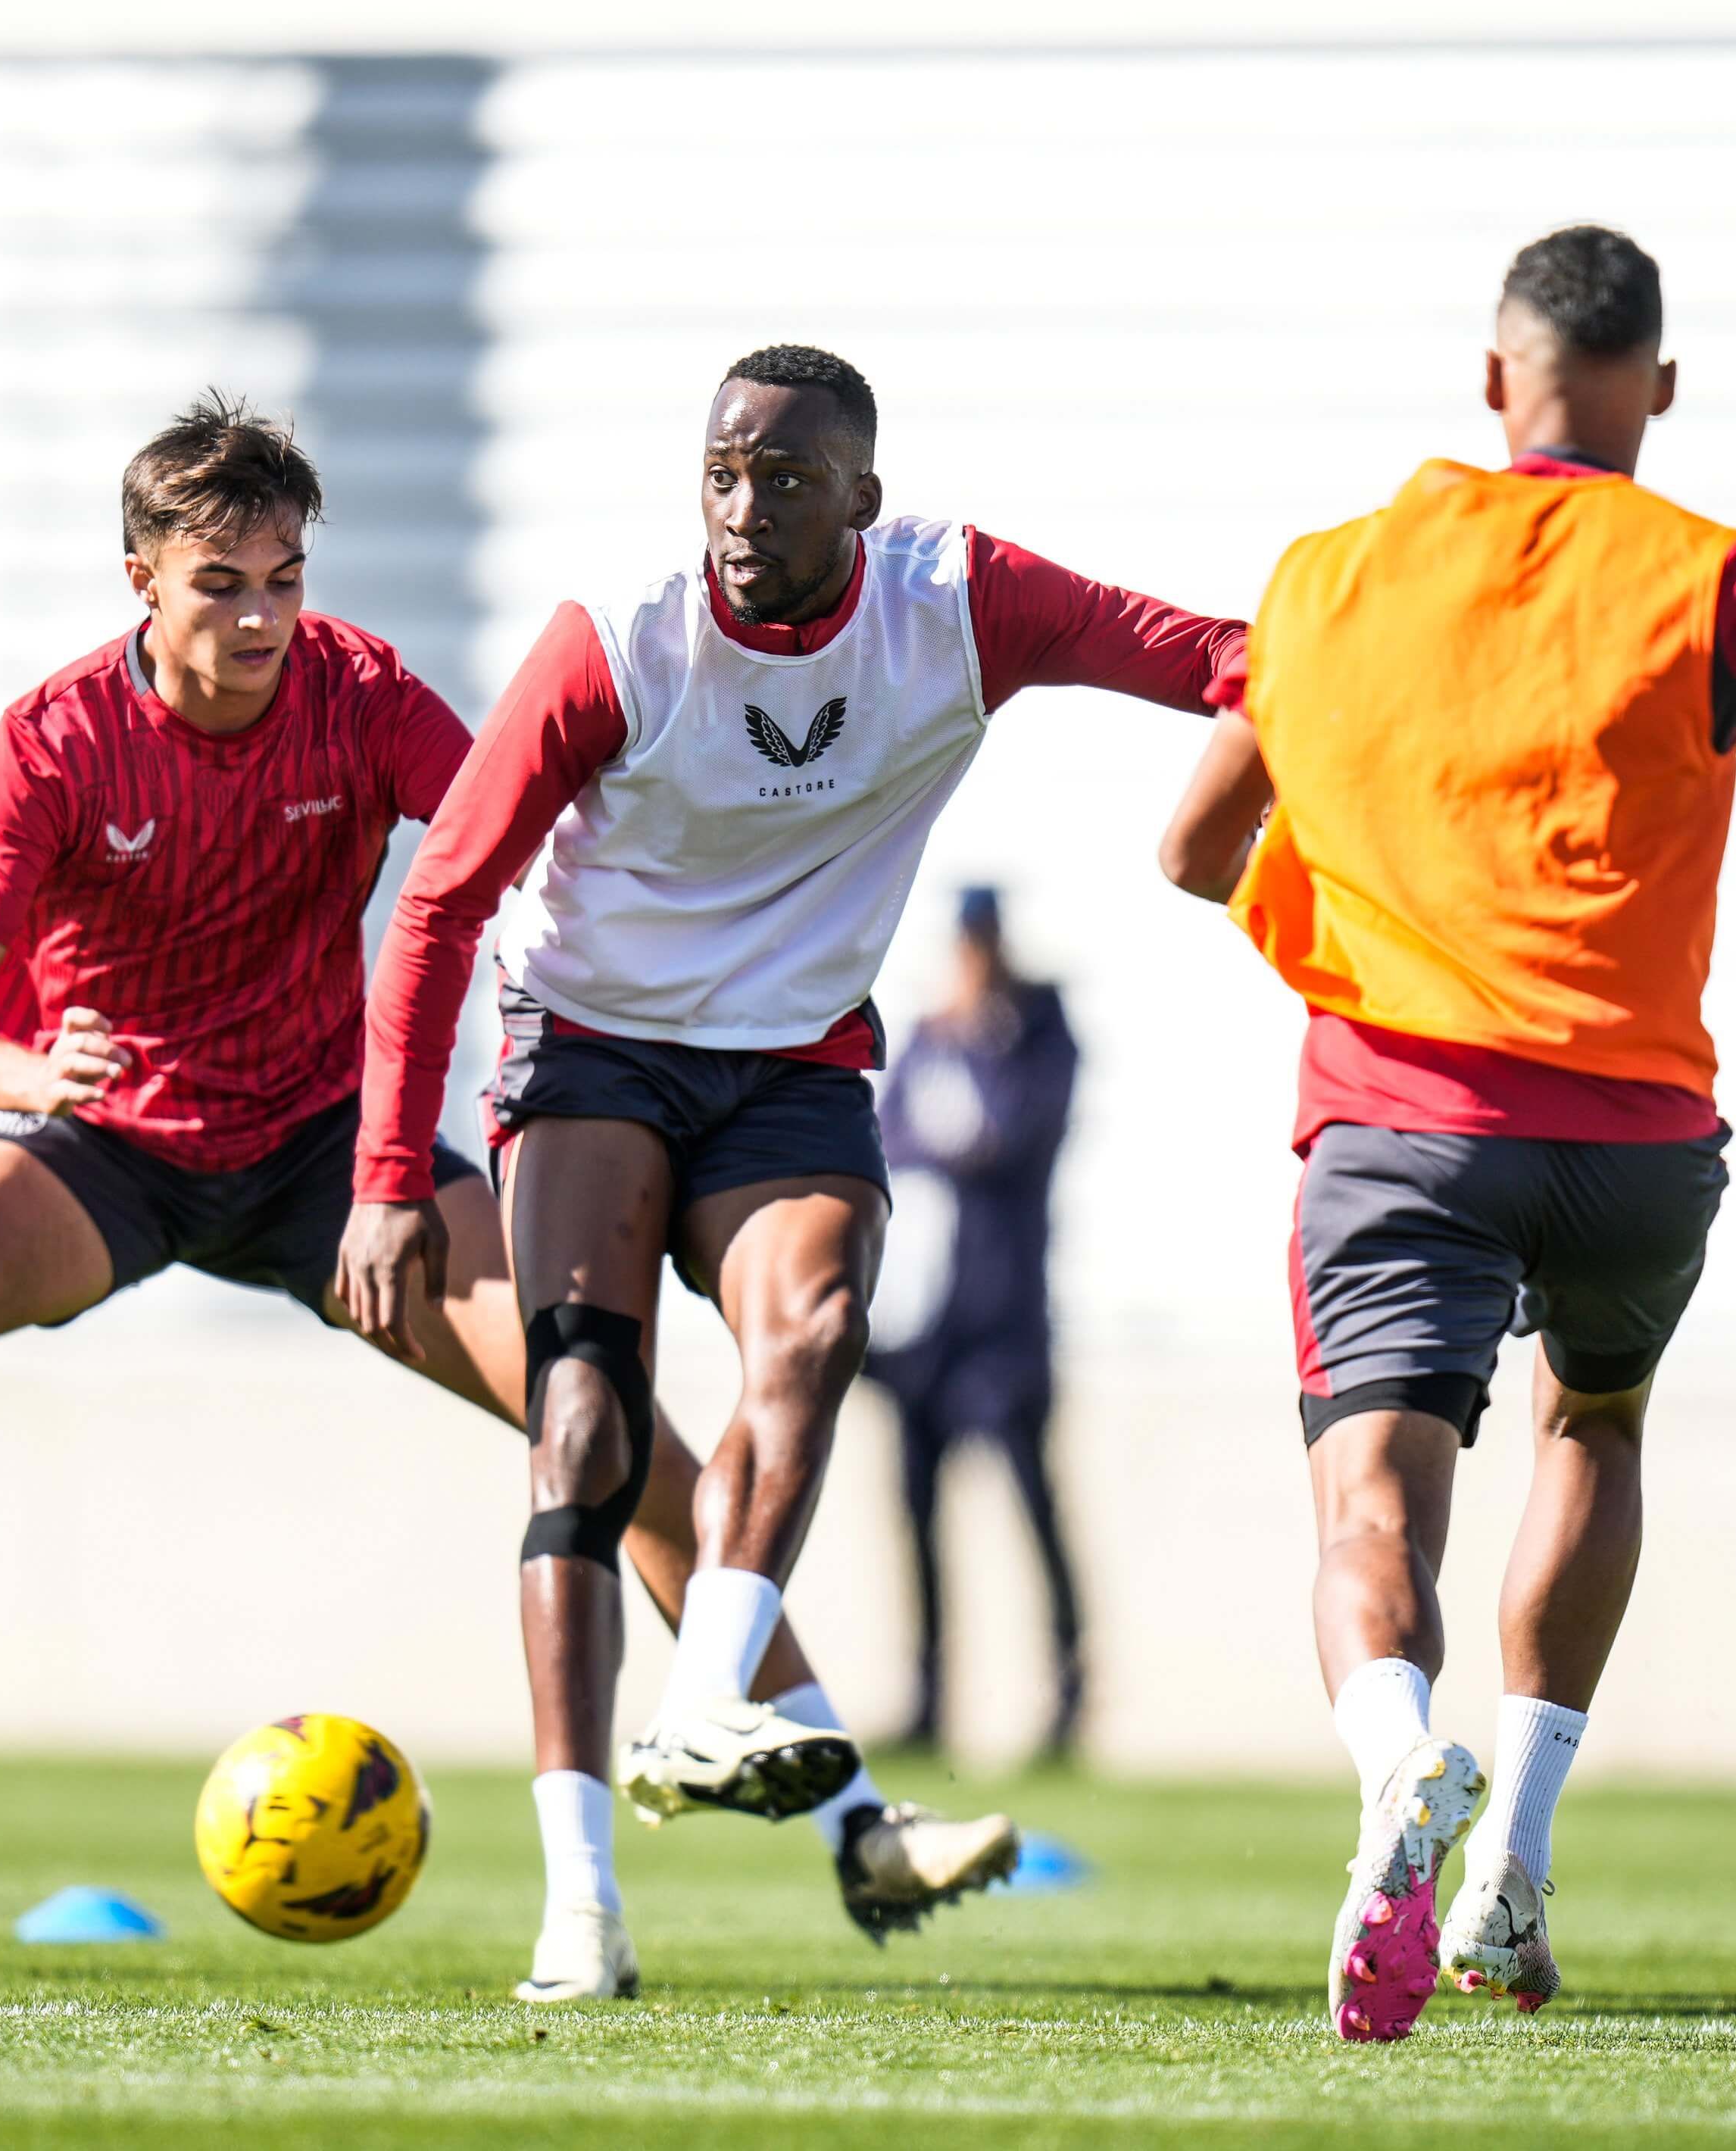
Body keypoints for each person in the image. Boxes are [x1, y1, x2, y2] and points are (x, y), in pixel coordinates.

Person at [0, 395, 1006, 1994]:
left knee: (603, 1422)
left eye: (284, 578)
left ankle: (854, 1822)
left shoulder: (358, 694)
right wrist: (31, 1075)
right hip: (105, 1140)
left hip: (329, 1154)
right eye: (221, 584)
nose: (262, 617)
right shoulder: (56, 738)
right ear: (141, 580)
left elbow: (521, 836)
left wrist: (751, 901)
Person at [340, 342, 1247, 1990]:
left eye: (784, 479)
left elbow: (1214, 661)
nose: (743, 508)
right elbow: (440, 899)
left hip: (790, 1058)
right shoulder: (618, 641)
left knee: (817, 1331)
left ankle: (708, 1707)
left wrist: (1385, 682)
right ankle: (581, 1906)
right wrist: (391, 1171)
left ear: (862, 502)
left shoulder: (958, 605)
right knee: (586, 1429)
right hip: (593, 1038)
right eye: (721, 473)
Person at [1160, 226, 1736, 2041]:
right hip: (1636, 1142)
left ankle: (1397, 1762)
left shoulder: (1326, 579)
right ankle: (1514, 1865)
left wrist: (1351, 916)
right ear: (1657, 386)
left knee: (1370, 1502)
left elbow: (1188, 848)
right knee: (1592, 1421)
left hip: (1402, 1118)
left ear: (1492, 380)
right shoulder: (1702, 572)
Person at [863, 887, 1085, 1755]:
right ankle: (926, 1700)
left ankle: (1067, 1694)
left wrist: (981, 1045)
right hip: (924, 1327)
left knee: (1033, 1506)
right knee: (915, 1514)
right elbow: (887, 1141)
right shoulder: (927, 1038)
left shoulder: (1038, 1036)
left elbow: (1011, 1136)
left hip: (1006, 1320)